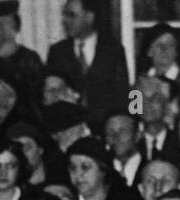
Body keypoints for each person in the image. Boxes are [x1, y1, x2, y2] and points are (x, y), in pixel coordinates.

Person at [45, 0, 129, 129]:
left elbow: (123, 94)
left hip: (105, 130)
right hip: (68, 130)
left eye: (71, 15)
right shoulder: (57, 52)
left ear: (89, 17)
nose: (65, 21)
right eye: (64, 15)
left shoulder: (113, 51)